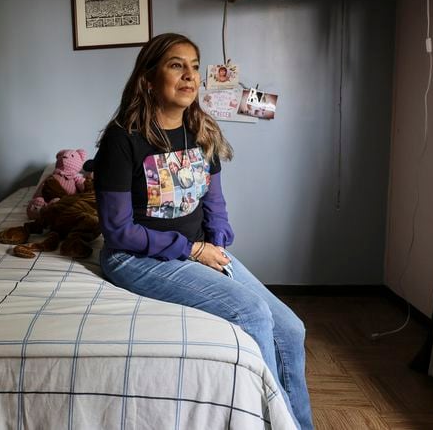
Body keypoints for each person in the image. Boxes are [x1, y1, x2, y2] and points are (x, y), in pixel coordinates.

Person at [93, 33, 313, 429]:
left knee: (291, 329)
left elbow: (215, 203)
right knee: (252, 314)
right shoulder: (122, 139)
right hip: (136, 258)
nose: (189, 75)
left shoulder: (199, 129)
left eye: (194, 66)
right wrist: (192, 251)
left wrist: (217, 240)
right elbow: (118, 230)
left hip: (195, 249)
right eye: (176, 65)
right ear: (147, 78)